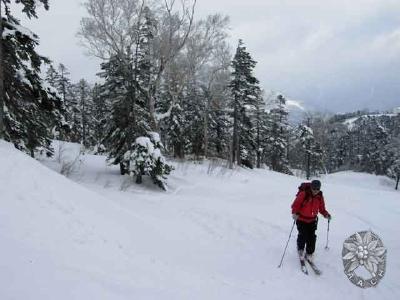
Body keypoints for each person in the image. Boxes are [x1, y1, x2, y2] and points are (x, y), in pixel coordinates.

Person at [291, 179, 331, 262]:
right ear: (311, 188)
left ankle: (309, 252)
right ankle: (301, 249)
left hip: (312, 220)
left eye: (317, 189)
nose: (315, 191)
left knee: (312, 237)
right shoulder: (304, 194)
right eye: (314, 189)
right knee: (303, 235)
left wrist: (325, 214)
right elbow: (295, 204)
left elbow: (322, 208)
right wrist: (295, 213)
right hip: (301, 219)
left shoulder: (319, 196)